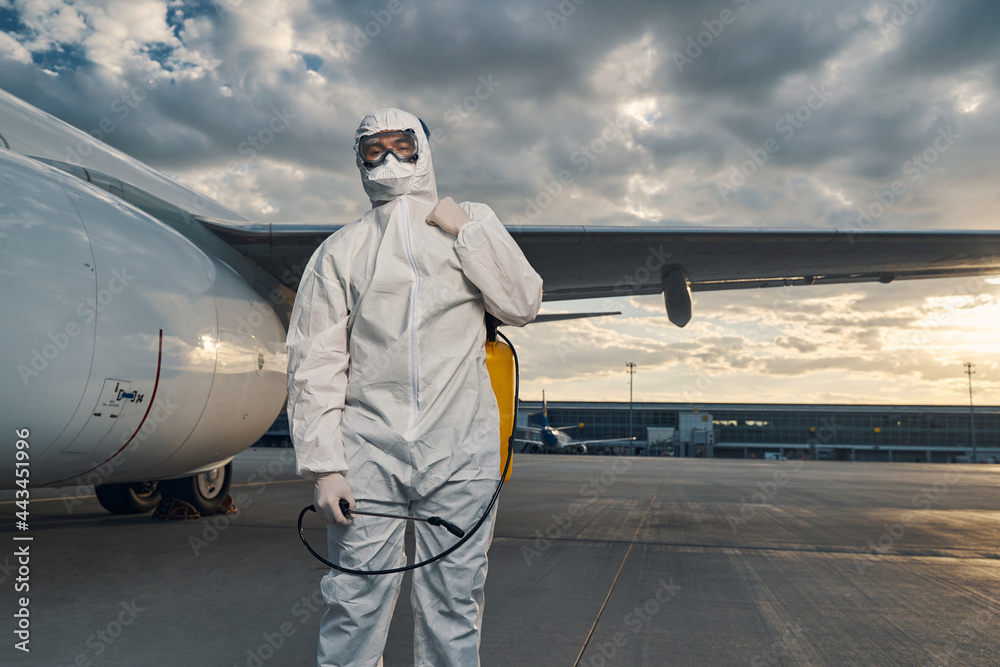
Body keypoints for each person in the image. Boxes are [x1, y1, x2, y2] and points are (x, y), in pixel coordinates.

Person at [286, 107, 543, 667]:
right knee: (354, 600)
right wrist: (326, 466)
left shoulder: (472, 222)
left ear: (424, 149)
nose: (389, 158)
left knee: (454, 602)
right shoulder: (340, 250)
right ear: (358, 160)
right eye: (373, 149)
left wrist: (467, 232)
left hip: (461, 452)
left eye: (402, 144)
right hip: (367, 453)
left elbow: (522, 302)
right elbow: (315, 361)